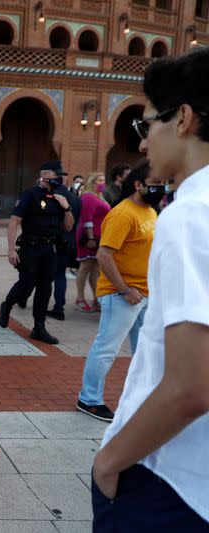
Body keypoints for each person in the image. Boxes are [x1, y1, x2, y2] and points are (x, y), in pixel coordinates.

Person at [92, 48, 209, 531]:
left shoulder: (188, 215)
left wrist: (109, 462)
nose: (142, 146)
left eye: (144, 127)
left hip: (168, 478)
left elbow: (191, 385)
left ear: (182, 119)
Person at [77, 161, 163, 422]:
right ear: (138, 185)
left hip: (145, 294)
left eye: (162, 184)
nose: (161, 189)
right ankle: (89, 399)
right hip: (122, 294)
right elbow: (104, 254)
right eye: (155, 184)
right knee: (106, 348)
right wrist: (125, 290)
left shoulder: (150, 212)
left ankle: (141, 398)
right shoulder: (123, 213)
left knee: (145, 350)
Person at [0, 161, 74, 345]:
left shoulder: (59, 198)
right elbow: (14, 221)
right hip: (31, 248)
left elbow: (69, 226)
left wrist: (66, 207)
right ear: (46, 177)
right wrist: (11, 249)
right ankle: (7, 305)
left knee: (45, 287)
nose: (61, 179)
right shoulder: (29, 195)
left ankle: (39, 327)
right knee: (26, 285)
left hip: (49, 249)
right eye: (58, 177)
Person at [47, 174, 82, 321]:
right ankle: (58, 307)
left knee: (43, 275)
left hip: (52, 241)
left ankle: (35, 302)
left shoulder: (50, 196)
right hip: (69, 241)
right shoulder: (76, 198)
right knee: (60, 275)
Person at [75, 172, 111, 312]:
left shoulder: (99, 197)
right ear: (92, 182)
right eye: (99, 180)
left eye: (103, 180)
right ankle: (80, 298)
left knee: (96, 269)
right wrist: (90, 238)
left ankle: (97, 298)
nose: (102, 183)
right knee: (85, 267)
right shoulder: (88, 197)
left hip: (99, 237)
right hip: (89, 237)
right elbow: (87, 218)